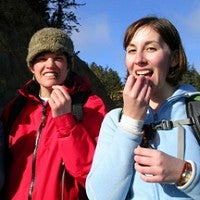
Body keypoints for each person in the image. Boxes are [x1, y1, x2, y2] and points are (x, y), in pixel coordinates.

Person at [86, 16, 200, 199]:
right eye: (132, 50)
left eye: (151, 48)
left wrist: (185, 174)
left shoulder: (196, 110)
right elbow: (100, 196)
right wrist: (131, 123)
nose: (139, 59)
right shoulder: (115, 120)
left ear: (174, 58)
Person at [0, 27, 107, 200]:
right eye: (42, 58)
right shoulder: (15, 109)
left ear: (68, 65)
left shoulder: (90, 106)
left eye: (58, 58)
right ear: (32, 67)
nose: (50, 65)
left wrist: (66, 122)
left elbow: (94, 176)